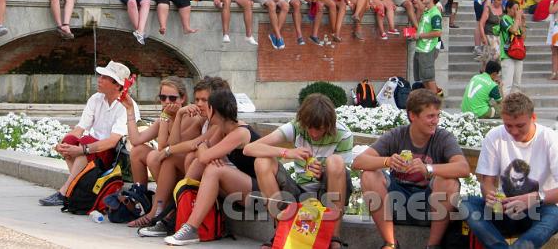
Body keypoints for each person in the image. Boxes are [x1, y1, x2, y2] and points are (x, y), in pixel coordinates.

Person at [353, 89, 469, 249]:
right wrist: (387, 161)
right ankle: (391, 243)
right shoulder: (397, 135)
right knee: (369, 175)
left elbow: (463, 168)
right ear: (413, 116)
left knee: (448, 181)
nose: (435, 121)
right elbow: (358, 162)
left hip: (430, 205)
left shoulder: (443, 137)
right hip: (396, 201)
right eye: (430, 116)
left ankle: (432, 246)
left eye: (437, 115)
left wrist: (428, 169)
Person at [244, 93, 354, 249]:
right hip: (298, 194)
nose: (314, 134)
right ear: (303, 122)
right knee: (262, 161)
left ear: (329, 125)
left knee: (335, 162)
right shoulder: (296, 127)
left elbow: (341, 175)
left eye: (320, 129)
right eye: (310, 128)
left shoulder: (343, 134)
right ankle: (281, 231)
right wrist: (287, 153)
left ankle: (334, 237)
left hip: (327, 195)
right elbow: (249, 149)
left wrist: (322, 172)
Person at [164, 89, 261, 246]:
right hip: (241, 189)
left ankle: (190, 228)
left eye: (206, 104)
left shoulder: (240, 132)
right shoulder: (223, 129)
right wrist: (204, 150)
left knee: (213, 168)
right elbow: (202, 156)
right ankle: (176, 215)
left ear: (212, 110)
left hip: (259, 196)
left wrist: (202, 146)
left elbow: (203, 153)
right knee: (202, 164)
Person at [135, 77, 230, 233]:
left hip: (219, 179)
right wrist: (130, 111)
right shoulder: (204, 119)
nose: (199, 104)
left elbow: (193, 145)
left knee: (179, 157)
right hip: (203, 173)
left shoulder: (206, 120)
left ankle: (166, 214)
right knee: (155, 155)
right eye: (162, 97)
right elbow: (140, 141)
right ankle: (160, 213)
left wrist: (167, 150)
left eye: (204, 100)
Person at [462, 92, 558, 248]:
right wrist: (491, 196)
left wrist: (533, 198)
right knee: (467, 203)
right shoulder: (494, 135)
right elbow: (487, 182)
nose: (514, 131)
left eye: (520, 126)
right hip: (504, 208)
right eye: (508, 126)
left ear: (533, 118)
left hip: (539, 209)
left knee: (555, 214)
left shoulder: (550, 139)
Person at [39, 61, 139, 206]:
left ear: (117, 85)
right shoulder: (95, 99)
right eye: (101, 76)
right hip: (92, 149)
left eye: (105, 77)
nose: (99, 79)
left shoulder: (127, 105)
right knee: (69, 140)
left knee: (85, 142)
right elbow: (80, 128)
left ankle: (65, 192)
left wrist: (83, 149)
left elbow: (112, 142)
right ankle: (78, 187)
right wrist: (63, 144)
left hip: (112, 154)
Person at [120, 76, 187, 189]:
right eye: (163, 97)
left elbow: (162, 148)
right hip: (168, 166)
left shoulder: (187, 115)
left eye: (172, 98)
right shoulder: (163, 119)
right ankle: (140, 194)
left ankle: (167, 197)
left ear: (182, 98)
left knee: (153, 156)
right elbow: (136, 140)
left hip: (185, 169)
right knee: (137, 151)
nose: (167, 102)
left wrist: (164, 115)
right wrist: (130, 109)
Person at [413, 0, 443, 94]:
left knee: (429, 78)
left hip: (428, 49)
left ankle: (436, 105)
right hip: (420, 48)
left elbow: (438, 33)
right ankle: (431, 103)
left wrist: (419, 35)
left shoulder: (435, 14)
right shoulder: (426, 11)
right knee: (424, 78)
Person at [499, 0, 525, 95]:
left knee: (517, 84)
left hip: (518, 53)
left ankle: (515, 106)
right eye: (514, 9)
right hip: (507, 55)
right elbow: (513, 30)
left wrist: (522, 21)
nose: (516, 11)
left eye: (517, 9)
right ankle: (505, 107)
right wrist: (518, 19)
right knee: (507, 84)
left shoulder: (516, 20)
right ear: (508, 9)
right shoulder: (504, 19)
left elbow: (523, 37)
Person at [479, 0, 506, 65]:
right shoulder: (488, 8)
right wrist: (483, 36)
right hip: (489, 35)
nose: (500, 2)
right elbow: (481, 23)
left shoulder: (503, 8)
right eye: (498, 0)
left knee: (497, 56)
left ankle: (495, 73)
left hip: (499, 35)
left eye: (501, 0)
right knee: (492, 56)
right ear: (494, 0)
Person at [547, 0, 558, 80]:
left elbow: (551, 11)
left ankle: (555, 73)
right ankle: (554, 73)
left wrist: (551, 0)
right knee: (554, 52)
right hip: (555, 28)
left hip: (556, 29)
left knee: (555, 52)